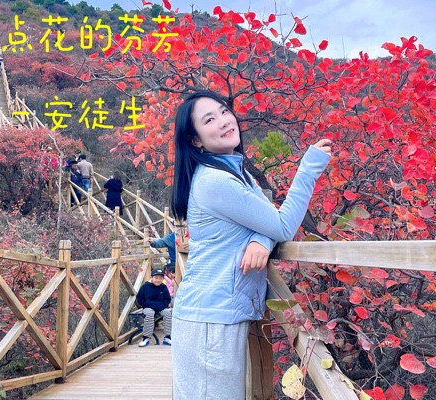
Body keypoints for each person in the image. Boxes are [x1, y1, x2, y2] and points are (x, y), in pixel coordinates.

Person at [170, 90, 331, 400]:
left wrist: (260, 238)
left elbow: (269, 222)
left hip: (214, 315)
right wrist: (308, 168)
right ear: (196, 140)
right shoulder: (216, 181)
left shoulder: (234, 172)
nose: (224, 121)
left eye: (224, 111)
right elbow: (282, 225)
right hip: (210, 321)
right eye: (209, 120)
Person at [136, 267, 172, 347]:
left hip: (160, 307)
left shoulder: (163, 287)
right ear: (151, 278)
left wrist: (162, 306)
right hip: (148, 307)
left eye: (160, 278)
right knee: (150, 314)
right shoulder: (145, 287)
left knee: (168, 313)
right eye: (156, 278)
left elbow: (167, 299)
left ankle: (167, 337)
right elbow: (139, 298)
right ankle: (145, 338)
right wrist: (145, 305)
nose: (158, 280)